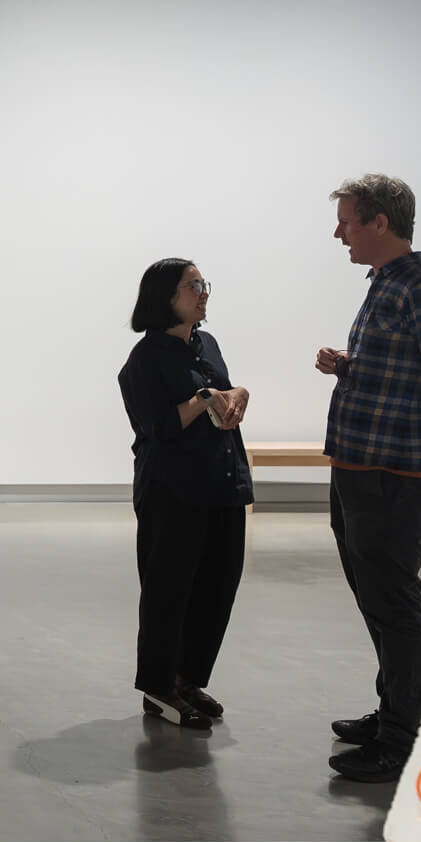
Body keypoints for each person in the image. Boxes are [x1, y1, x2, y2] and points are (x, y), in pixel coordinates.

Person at [316, 174, 421, 783]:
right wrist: (349, 366)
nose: (340, 233)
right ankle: (394, 711)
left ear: (380, 222)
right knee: (376, 598)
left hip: (390, 475)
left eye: (348, 221)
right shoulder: (387, 284)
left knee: (394, 602)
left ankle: (403, 736)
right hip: (359, 467)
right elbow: (408, 368)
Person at [117, 258, 253, 730]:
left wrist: (237, 394)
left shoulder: (206, 344)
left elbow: (219, 394)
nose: (203, 293)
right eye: (192, 286)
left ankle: (188, 679)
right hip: (173, 491)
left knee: (216, 588)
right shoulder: (145, 359)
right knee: (168, 591)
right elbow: (157, 426)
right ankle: (159, 688)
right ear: (165, 297)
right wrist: (202, 401)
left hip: (222, 484)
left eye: (203, 284)